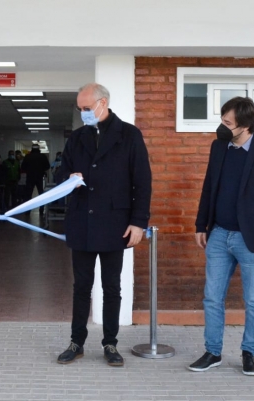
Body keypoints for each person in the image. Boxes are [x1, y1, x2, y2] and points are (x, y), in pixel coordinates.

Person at [188, 97, 254, 376]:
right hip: (219, 234)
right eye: (222, 121)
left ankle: (249, 353)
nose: (221, 128)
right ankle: (213, 352)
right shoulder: (219, 147)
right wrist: (201, 225)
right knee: (211, 297)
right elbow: (209, 187)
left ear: (245, 126)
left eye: (227, 123)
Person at [56, 83, 152, 367]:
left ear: (103, 103)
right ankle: (77, 342)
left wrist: (139, 222)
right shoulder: (77, 138)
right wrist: (69, 177)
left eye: (87, 108)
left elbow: (142, 182)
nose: (83, 113)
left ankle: (110, 343)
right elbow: (61, 173)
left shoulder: (129, 135)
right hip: (82, 223)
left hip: (115, 224)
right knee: (81, 286)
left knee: (111, 286)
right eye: (80, 109)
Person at [20, 144, 50, 214]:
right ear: (39, 149)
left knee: (28, 194)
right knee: (41, 193)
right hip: (39, 177)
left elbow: (23, 167)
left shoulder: (28, 156)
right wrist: (41, 170)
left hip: (30, 177)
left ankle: (27, 210)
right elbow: (47, 166)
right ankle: (41, 209)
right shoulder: (42, 156)